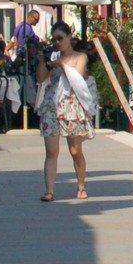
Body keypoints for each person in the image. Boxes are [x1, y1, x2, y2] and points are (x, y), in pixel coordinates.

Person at [36, 21, 97, 202]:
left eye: (60, 38)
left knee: (75, 150)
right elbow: (41, 78)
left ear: (69, 36)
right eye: (54, 39)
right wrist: (43, 61)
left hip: (72, 106)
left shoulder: (80, 57)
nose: (57, 43)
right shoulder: (52, 58)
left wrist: (59, 64)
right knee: (51, 151)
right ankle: (49, 191)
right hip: (52, 105)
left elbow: (76, 77)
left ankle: (81, 185)